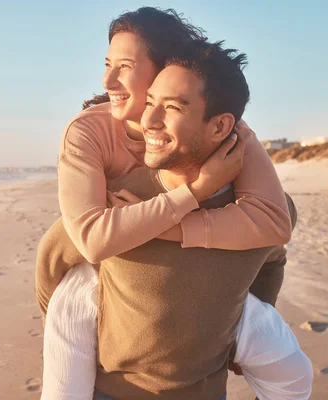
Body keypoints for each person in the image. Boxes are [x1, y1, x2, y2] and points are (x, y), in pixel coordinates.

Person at [41, 40, 313, 400]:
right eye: (150, 101)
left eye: (171, 107)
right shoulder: (116, 206)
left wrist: (236, 329)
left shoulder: (261, 211)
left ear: (221, 127)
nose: (148, 121)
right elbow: (53, 265)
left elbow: (271, 260)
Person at [36, 7, 293, 321]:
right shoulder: (89, 131)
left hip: (216, 281)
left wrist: (173, 224)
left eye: (125, 66)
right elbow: (86, 241)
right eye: (107, 64)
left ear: (166, 70)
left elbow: (277, 221)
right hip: (98, 273)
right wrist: (197, 190)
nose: (107, 80)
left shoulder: (219, 127)